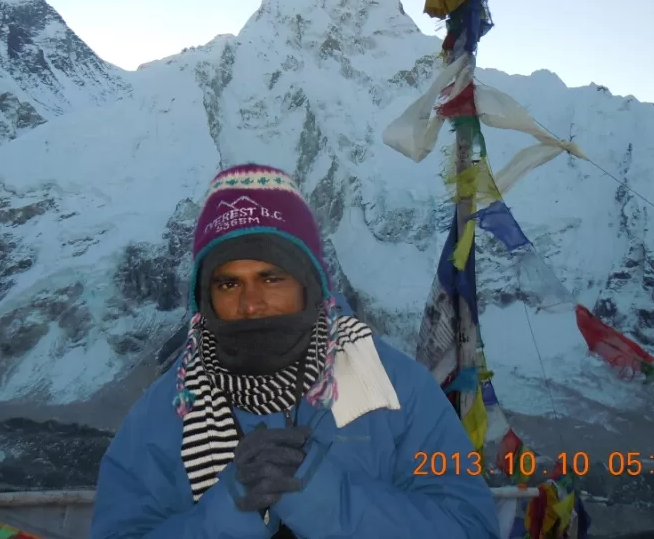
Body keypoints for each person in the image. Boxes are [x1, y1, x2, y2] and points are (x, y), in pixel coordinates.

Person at [90, 163, 502, 539]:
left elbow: (470, 527)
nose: (251, 304)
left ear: (310, 285)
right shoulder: (165, 412)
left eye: (271, 278)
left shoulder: (397, 392)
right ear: (204, 298)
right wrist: (232, 511)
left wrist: (322, 494)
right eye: (228, 283)